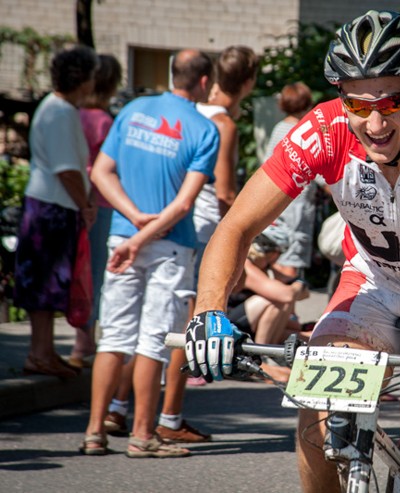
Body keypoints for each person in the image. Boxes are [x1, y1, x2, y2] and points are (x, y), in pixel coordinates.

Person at [184, 10, 400, 492]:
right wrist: (208, 312)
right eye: (357, 103)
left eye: (392, 102)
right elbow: (236, 227)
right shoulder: (324, 130)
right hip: (370, 284)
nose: (374, 122)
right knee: (316, 419)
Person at [80, 49, 219, 458]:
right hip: (169, 245)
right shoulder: (204, 129)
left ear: (172, 73)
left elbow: (100, 172)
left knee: (114, 338)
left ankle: (93, 432)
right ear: (205, 82)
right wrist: (144, 234)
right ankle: (142, 436)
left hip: (122, 238)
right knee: (152, 342)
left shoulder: (135, 109)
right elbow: (182, 205)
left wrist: (133, 219)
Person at [155, 44, 259, 444]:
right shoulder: (225, 125)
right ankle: (170, 416)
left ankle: (121, 410)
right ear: (247, 83)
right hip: (204, 231)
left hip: (174, 222)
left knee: (159, 322)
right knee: (192, 320)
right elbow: (225, 193)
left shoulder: (191, 112)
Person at [14, 45, 98, 379]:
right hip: (53, 207)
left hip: (48, 204)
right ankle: (39, 353)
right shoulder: (61, 112)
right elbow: (67, 170)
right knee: (46, 284)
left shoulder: (55, 107)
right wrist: (86, 206)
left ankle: (44, 351)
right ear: (82, 78)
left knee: (45, 284)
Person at [69, 54, 123, 369]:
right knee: (97, 272)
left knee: (80, 270)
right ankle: (86, 339)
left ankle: (82, 336)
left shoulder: (76, 115)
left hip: (77, 201)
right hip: (100, 204)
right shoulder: (104, 121)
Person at [263, 82, 319, 278]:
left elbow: (268, 162)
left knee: (279, 252)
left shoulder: (279, 128)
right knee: (291, 264)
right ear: (306, 103)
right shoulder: (304, 130)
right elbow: (315, 166)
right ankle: (282, 299)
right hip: (298, 203)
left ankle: (283, 301)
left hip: (277, 198)